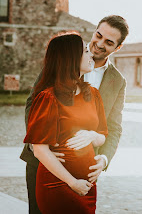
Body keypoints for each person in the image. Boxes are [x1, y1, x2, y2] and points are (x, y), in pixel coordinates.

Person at [20, 15, 129, 213]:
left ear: (117, 48)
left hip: (84, 174)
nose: (99, 44)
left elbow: (113, 127)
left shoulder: (117, 81)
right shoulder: (64, 57)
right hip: (44, 164)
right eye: (98, 35)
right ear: (95, 31)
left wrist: (104, 159)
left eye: (109, 42)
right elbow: (32, 104)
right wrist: (42, 145)